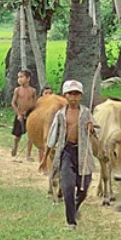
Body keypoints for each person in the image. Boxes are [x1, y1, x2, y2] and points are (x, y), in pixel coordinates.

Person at [43, 79, 98, 229]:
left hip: (83, 153)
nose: (73, 97)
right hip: (66, 152)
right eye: (70, 94)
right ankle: (71, 222)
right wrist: (44, 158)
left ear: (80, 96)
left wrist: (91, 128)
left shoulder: (86, 113)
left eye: (76, 94)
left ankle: (75, 207)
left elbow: (97, 130)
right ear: (65, 96)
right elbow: (52, 136)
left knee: (83, 189)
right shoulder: (60, 115)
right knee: (67, 186)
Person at [10, 69, 38, 161]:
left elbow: (34, 103)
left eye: (21, 77)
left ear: (28, 78)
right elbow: (13, 103)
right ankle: (15, 146)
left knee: (30, 136)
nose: (19, 79)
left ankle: (28, 155)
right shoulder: (17, 90)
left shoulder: (33, 91)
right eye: (18, 77)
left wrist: (33, 113)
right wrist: (18, 113)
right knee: (17, 136)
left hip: (29, 115)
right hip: (20, 114)